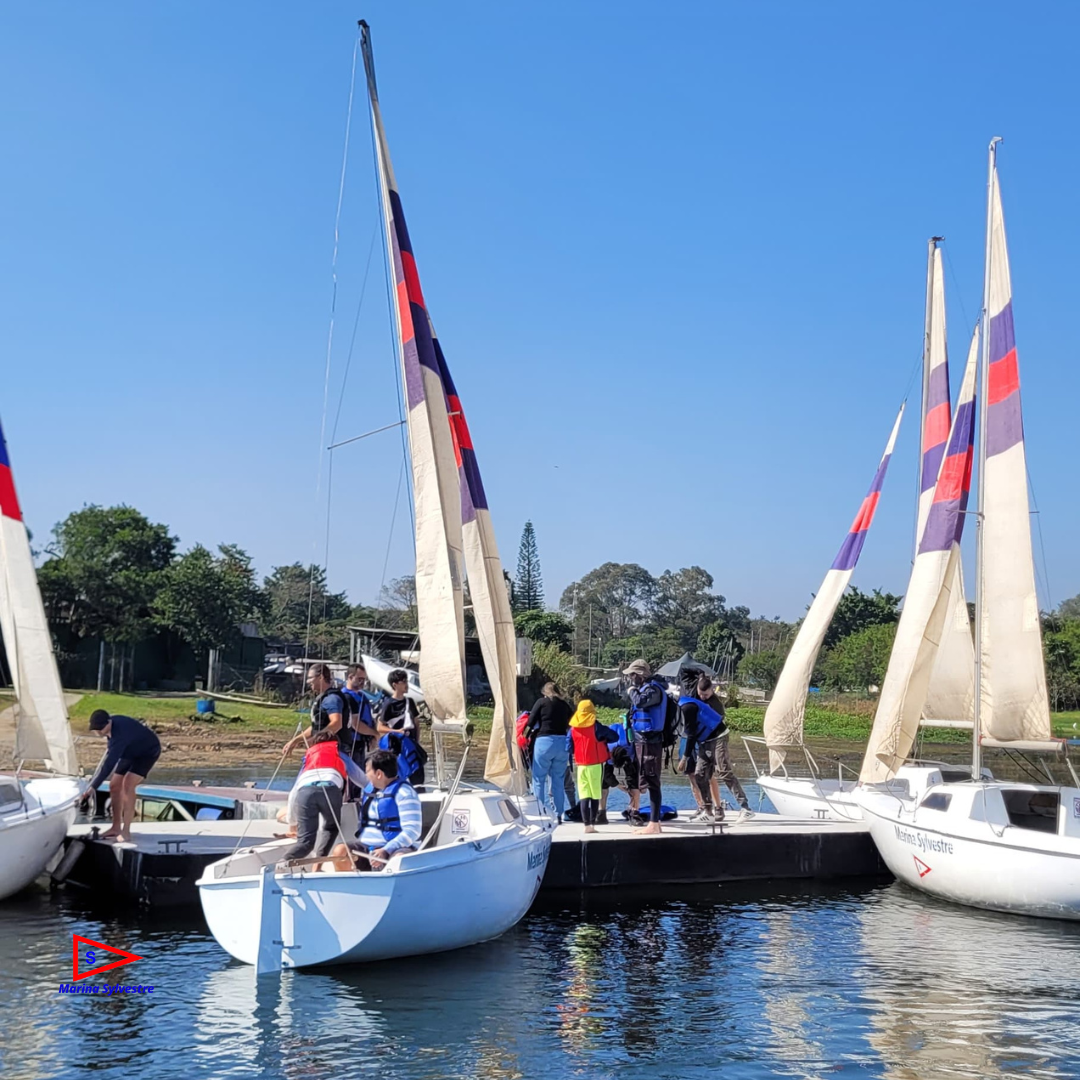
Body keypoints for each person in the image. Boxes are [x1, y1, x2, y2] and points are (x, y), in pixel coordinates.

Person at [326, 749, 423, 871]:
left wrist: (386, 850)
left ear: (379, 774)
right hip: (368, 848)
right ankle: (349, 886)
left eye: (367, 772)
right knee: (340, 851)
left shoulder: (404, 793)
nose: (365, 776)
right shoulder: (370, 790)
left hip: (395, 848)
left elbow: (413, 831)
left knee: (399, 859)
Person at [677, 672, 752, 823]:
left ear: (712, 690)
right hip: (704, 741)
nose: (703, 696)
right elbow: (685, 671)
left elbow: (693, 734)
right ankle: (708, 811)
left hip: (718, 737)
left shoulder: (716, 705)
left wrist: (684, 758)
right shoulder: (692, 697)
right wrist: (699, 673)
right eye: (701, 693)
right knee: (699, 774)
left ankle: (746, 808)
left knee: (723, 771)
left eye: (706, 694)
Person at [281, 729, 366, 862]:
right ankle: (317, 867)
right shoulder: (338, 753)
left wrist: (293, 822)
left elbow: (294, 792)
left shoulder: (309, 758)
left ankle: (282, 863)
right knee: (331, 828)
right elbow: (363, 780)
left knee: (305, 843)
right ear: (336, 743)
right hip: (330, 789)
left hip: (305, 792)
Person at [78, 710, 162, 843]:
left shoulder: (120, 735)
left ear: (109, 722)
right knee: (114, 785)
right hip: (129, 751)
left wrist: (92, 787)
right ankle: (116, 827)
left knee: (128, 784)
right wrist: (91, 787)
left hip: (148, 752)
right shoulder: (111, 730)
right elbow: (109, 760)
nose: (99, 732)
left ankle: (126, 831)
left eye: (101, 729)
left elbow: (108, 765)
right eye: (96, 730)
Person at [625, 659, 667, 834]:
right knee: (647, 780)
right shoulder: (646, 688)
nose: (630, 679)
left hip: (650, 742)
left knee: (652, 781)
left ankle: (654, 823)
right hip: (642, 741)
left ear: (640, 675)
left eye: (632, 675)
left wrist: (632, 691)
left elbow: (641, 702)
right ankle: (654, 822)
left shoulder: (653, 690)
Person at [525, 681, 572, 822]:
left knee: (538, 780)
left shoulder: (541, 702)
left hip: (544, 742)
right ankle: (558, 815)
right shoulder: (565, 705)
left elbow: (530, 722)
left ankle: (539, 813)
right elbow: (571, 724)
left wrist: (524, 737)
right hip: (562, 743)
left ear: (545, 692)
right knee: (558, 780)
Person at [282, 664, 347, 758]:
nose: (308, 681)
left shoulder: (332, 699)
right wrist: (295, 740)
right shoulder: (324, 698)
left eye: (310, 678)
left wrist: (315, 739)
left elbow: (336, 723)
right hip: (320, 750)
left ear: (321, 677)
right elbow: (316, 727)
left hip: (333, 753)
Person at [376, 669, 426, 787]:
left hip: (411, 744)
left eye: (406, 681)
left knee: (417, 775)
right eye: (403, 682)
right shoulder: (389, 704)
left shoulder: (410, 702)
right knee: (398, 776)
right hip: (397, 747)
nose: (406, 684)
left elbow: (416, 723)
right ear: (395, 685)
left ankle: (418, 795)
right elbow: (380, 727)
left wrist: (417, 742)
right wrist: (396, 731)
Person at [569, 699, 611, 833]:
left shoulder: (573, 729)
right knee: (595, 795)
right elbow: (614, 736)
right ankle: (592, 824)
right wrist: (604, 740)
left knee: (583, 795)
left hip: (580, 766)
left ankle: (586, 825)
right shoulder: (597, 727)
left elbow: (568, 747)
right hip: (595, 765)